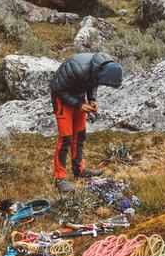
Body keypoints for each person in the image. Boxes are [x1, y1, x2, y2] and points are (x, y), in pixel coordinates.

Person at [50, 52, 123, 194]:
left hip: (78, 96)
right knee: (66, 138)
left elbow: (93, 82)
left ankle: (79, 169)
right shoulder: (76, 68)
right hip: (62, 96)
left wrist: (92, 99)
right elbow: (56, 87)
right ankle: (60, 178)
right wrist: (79, 105)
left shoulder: (102, 67)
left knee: (80, 134)